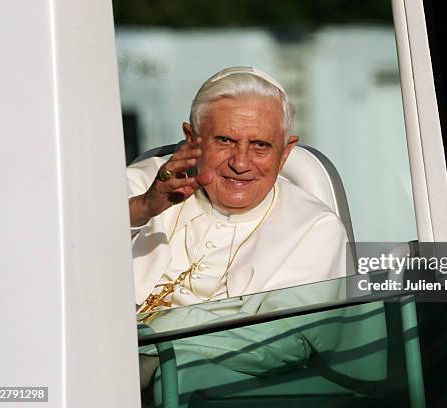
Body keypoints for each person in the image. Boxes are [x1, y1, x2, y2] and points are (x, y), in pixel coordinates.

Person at [127, 67, 351, 401]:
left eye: (260, 145)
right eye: (225, 141)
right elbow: (63, 267)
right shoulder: (140, 186)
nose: (241, 163)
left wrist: (151, 349)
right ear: (192, 138)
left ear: (286, 152)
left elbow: (286, 341)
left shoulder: (314, 228)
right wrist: (142, 209)